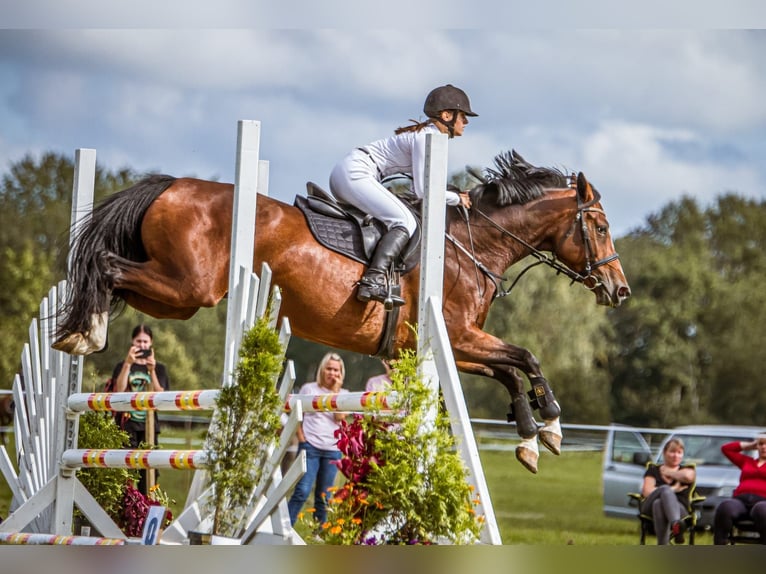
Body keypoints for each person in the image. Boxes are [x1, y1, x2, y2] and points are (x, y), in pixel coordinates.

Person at [329, 84, 477, 307]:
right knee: (404, 221)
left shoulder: (430, 137)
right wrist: (458, 199)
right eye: (463, 116)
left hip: (354, 173)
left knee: (399, 217)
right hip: (356, 173)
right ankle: (373, 279)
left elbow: (421, 188)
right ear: (447, 115)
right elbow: (423, 191)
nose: (466, 122)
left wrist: (452, 192)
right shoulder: (426, 137)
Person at [287, 352, 348, 527]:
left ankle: (319, 535)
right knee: (302, 490)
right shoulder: (309, 389)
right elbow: (297, 414)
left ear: (341, 372)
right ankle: (285, 528)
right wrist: (301, 437)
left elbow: (340, 418)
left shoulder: (345, 393)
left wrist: (336, 392)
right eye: (329, 368)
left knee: (324, 497)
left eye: (336, 370)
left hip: (332, 450)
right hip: (310, 446)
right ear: (322, 369)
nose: (332, 373)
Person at [111, 324, 170, 494]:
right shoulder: (122, 365)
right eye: (139, 341)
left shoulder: (159, 368)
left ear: (151, 343)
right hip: (126, 425)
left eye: (145, 341)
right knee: (125, 472)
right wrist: (128, 364)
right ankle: (125, 513)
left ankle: (147, 508)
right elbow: (119, 390)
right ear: (132, 342)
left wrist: (151, 371)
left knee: (149, 472)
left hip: (149, 426)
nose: (142, 345)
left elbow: (161, 395)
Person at [640, 438, 696, 545]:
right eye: (672, 451)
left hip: (680, 510)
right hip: (649, 508)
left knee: (659, 503)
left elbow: (688, 477)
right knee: (665, 490)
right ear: (664, 453)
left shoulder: (687, 469)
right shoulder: (653, 470)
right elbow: (647, 492)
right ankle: (676, 526)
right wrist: (673, 489)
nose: (676, 455)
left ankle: (664, 543)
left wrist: (669, 473)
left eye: (679, 452)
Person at [713, 434, 766, 544]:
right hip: (740, 501)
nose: (764, 447)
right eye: (761, 444)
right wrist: (750, 445)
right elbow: (726, 449)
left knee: (762, 510)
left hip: (763, 502)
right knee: (725, 507)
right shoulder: (748, 462)